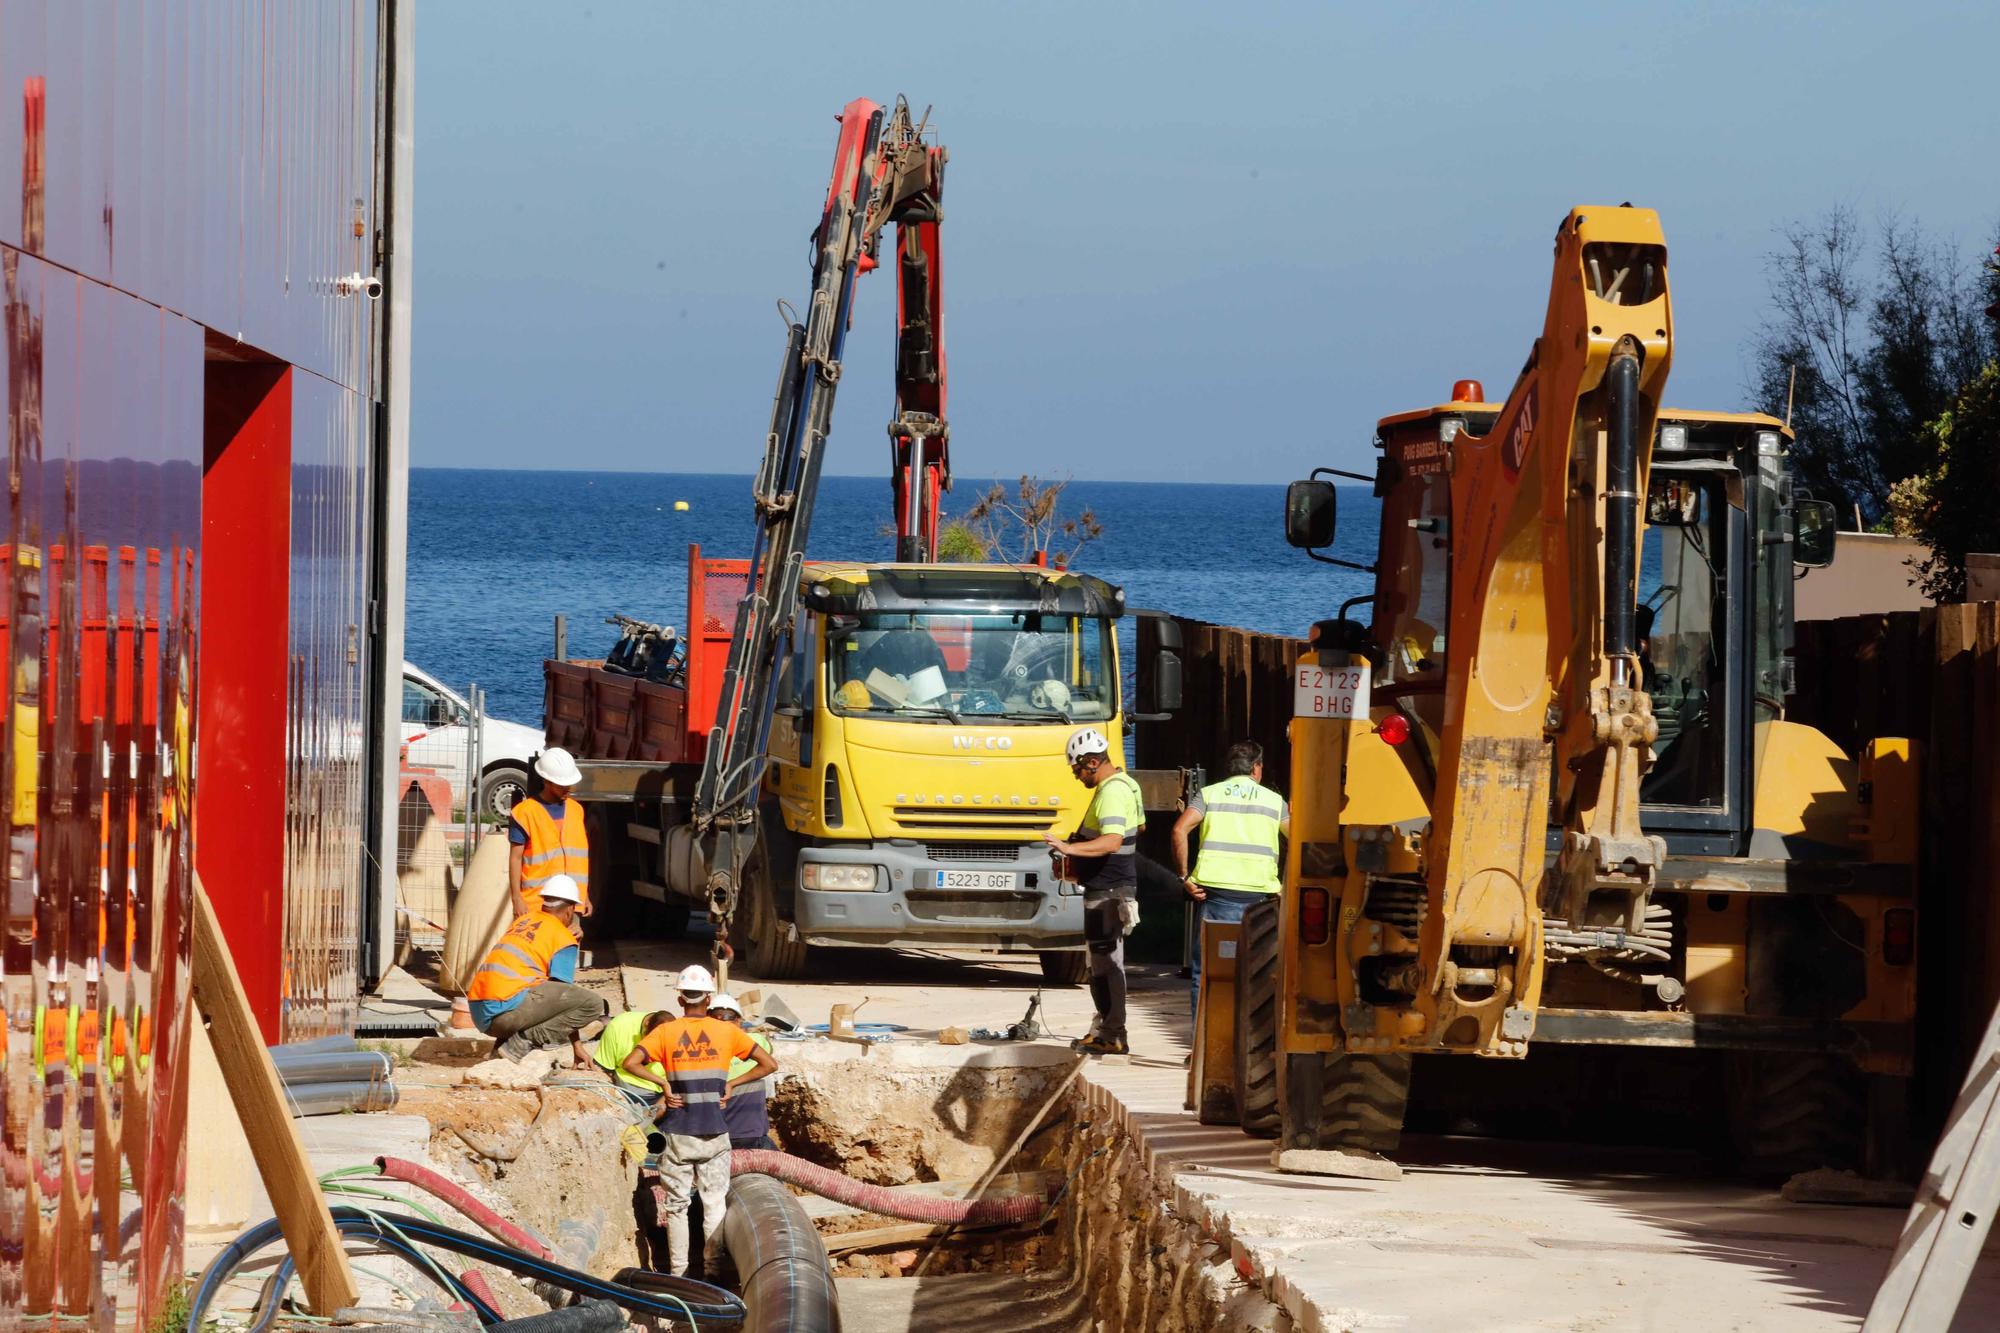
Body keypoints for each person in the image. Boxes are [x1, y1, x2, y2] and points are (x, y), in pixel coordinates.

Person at [622, 965, 780, 1277]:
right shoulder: (728, 1032)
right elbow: (769, 1064)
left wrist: (664, 1086)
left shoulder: (665, 1033)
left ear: (680, 999)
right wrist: (733, 1084)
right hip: (715, 1133)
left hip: (678, 1132)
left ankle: (680, 1274)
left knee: (677, 1206)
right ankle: (713, 1271)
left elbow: (630, 1063)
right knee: (714, 1203)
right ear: (708, 999)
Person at [1172, 740, 1290, 1025]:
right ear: (1256, 768)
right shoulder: (1275, 802)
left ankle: (1202, 1046)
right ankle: (1250, 1041)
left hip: (1215, 898)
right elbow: (1299, 840)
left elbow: (1179, 829)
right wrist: (1284, 884)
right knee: (1260, 974)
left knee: (1208, 973)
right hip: (1260, 902)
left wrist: (1184, 876)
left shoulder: (1209, 794)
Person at [1042, 727, 1145, 1057]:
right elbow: (1138, 826)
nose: (1076, 776)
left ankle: (1112, 1033)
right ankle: (1107, 1029)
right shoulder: (1127, 785)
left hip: (1108, 890)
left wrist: (1069, 849)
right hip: (1112, 886)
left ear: (1091, 761)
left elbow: (1113, 840)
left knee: (1104, 965)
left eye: (1077, 769)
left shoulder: (1112, 792)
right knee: (1103, 961)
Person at [465, 875, 607, 1065]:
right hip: (503, 1014)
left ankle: (503, 1050)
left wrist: (577, 1046)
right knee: (593, 1004)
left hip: (479, 1012)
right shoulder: (563, 937)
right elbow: (563, 1000)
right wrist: (577, 1045)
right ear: (570, 909)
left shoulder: (523, 922)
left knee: (531, 991)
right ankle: (520, 1044)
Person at [510, 748, 590, 917]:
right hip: (536, 904)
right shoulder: (525, 812)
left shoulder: (576, 810)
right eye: (562, 784)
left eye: (569, 783)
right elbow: (515, 858)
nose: (568, 788)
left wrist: (585, 896)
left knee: (568, 943)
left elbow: (578, 862)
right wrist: (516, 898)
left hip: (571, 903)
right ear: (546, 781)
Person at [710, 993, 777, 1151]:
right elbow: (769, 1052)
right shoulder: (756, 1042)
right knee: (789, 1171)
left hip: (714, 1137)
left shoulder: (701, 1053)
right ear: (739, 1021)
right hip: (751, 1137)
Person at [592, 1007, 672, 1109]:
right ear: (646, 1024)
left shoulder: (674, 1032)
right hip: (636, 1091)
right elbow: (606, 1068)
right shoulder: (620, 1025)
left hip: (668, 1090)